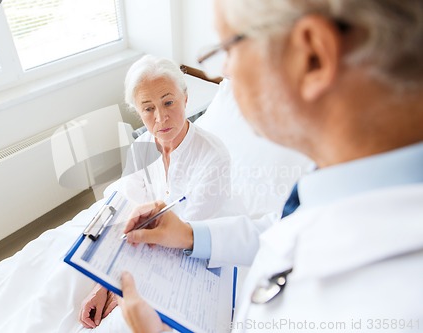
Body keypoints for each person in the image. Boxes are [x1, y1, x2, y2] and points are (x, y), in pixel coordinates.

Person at [118, 0, 423, 332]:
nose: (227, 72)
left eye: (228, 49)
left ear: (313, 56)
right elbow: (281, 229)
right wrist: (190, 235)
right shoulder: (344, 174)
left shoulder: (399, 305)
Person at [79, 54, 240, 329]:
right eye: (148, 108)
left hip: (198, 252)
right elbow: (130, 220)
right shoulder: (139, 149)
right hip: (151, 254)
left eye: (168, 102)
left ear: (185, 99)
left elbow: (183, 236)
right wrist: (103, 285)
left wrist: (126, 286)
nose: (161, 117)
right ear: (138, 112)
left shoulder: (214, 157)